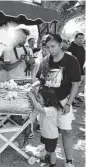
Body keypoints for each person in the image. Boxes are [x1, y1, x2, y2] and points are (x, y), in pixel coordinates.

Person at [36, 34, 81, 167]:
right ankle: (50, 156)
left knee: (66, 131)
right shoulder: (45, 61)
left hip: (63, 101)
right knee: (48, 131)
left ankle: (69, 161)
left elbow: (76, 84)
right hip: (47, 103)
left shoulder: (71, 60)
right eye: (48, 47)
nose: (50, 50)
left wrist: (68, 103)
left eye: (53, 46)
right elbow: (41, 80)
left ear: (61, 45)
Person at [28, 88, 60, 167]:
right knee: (47, 148)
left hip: (51, 135)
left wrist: (32, 97)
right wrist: (34, 96)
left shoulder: (51, 110)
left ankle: (53, 164)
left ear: (47, 99)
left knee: (51, 151)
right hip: (46, 134)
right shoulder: (46, 107)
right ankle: (47, 159)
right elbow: (39, 106)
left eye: (39, 97)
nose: (37, 99)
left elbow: (38, 108)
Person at [68, 33, 85, 104]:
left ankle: (74, 96)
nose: (81, 40)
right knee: (74, 86)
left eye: (82, 38)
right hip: (74, 70)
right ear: (75, 39)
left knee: (82, 85)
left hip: (81, 69)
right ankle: (70, 100)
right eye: (79, 38)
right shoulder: (71, 48)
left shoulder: (82, 47)